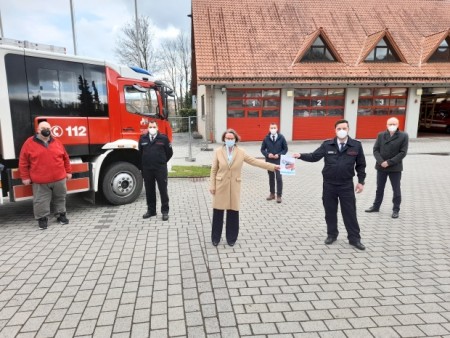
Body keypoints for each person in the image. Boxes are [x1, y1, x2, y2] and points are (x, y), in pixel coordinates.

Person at [293, 119, 367, 250]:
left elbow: (361, 165)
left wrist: (361, 182)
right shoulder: (327, 145)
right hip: (329, 185)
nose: (342, 131)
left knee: (350, 212)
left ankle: (354, 239)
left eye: (344, 128)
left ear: (348, 129)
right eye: (339, 129)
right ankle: (332, 235)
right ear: (335, 130)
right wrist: (300, 155)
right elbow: (314, 156)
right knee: (330, 212)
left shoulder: (356, 145)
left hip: (346, 185)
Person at [209, 129, 280, 247]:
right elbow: (214, 170)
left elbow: (255, 162)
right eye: (227, 138)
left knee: (233, 212)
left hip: (234, 186)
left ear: (235, 139)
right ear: (224, 139)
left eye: (232, 138)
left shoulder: (241, 152)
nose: (229, 140)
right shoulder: (218, 151)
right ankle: (215, 238)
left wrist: (273, 166)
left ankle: (231, 238)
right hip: (220, 185)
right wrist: (212, 185)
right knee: (218, 213)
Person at [19, 121, 72, 230]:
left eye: (48, 128)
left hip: (59, 178)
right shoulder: (29, 143)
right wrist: (25, 177)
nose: (46, 130)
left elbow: (65, 158)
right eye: (43, 128)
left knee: (60, 197)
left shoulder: (57, 142)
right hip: (40, 181)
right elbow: (23, 162)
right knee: (41, 200)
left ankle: (61, 215)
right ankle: (42, 219)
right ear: (38, 130)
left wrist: (68, 171)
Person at [365, 117, 409, 218]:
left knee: (396, 189)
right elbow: (376, 150)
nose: (392, 126)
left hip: (395, 167)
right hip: (381, 167)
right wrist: (381, 162)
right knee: (379, 188)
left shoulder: (404, 136)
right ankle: (376, 206)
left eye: (394, 124)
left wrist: (389, 162)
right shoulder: (381, 135)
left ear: (398, 125)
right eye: (390, 124)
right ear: (386, 125)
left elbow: (403, 152)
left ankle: (396, 209)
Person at [139, 120, 173, 221]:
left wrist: (161, 162)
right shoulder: (142, 139)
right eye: (150, 127)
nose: (152, 129)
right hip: (147, 169)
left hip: (160, 169)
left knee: (163, 191)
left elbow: (169, 153)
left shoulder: (163, 138)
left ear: (157, 128)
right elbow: (140, 153)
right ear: (148, 128)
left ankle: (165, 211)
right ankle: (151, 211)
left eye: (154, 127)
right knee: (149, 191)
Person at [260, 123, 288, 203]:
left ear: (277, 128)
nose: (273, 129)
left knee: (279, 178)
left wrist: (279, 155)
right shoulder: (266, 138)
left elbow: (285, 149)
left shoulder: (281, 137)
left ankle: (279, 195)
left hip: (279, 161)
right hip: (269, 161)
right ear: (269, 129)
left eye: (274, 127)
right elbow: (262, 149)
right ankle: (272, 194)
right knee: (271, 178)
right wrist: (268, 154)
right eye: (271, 128)